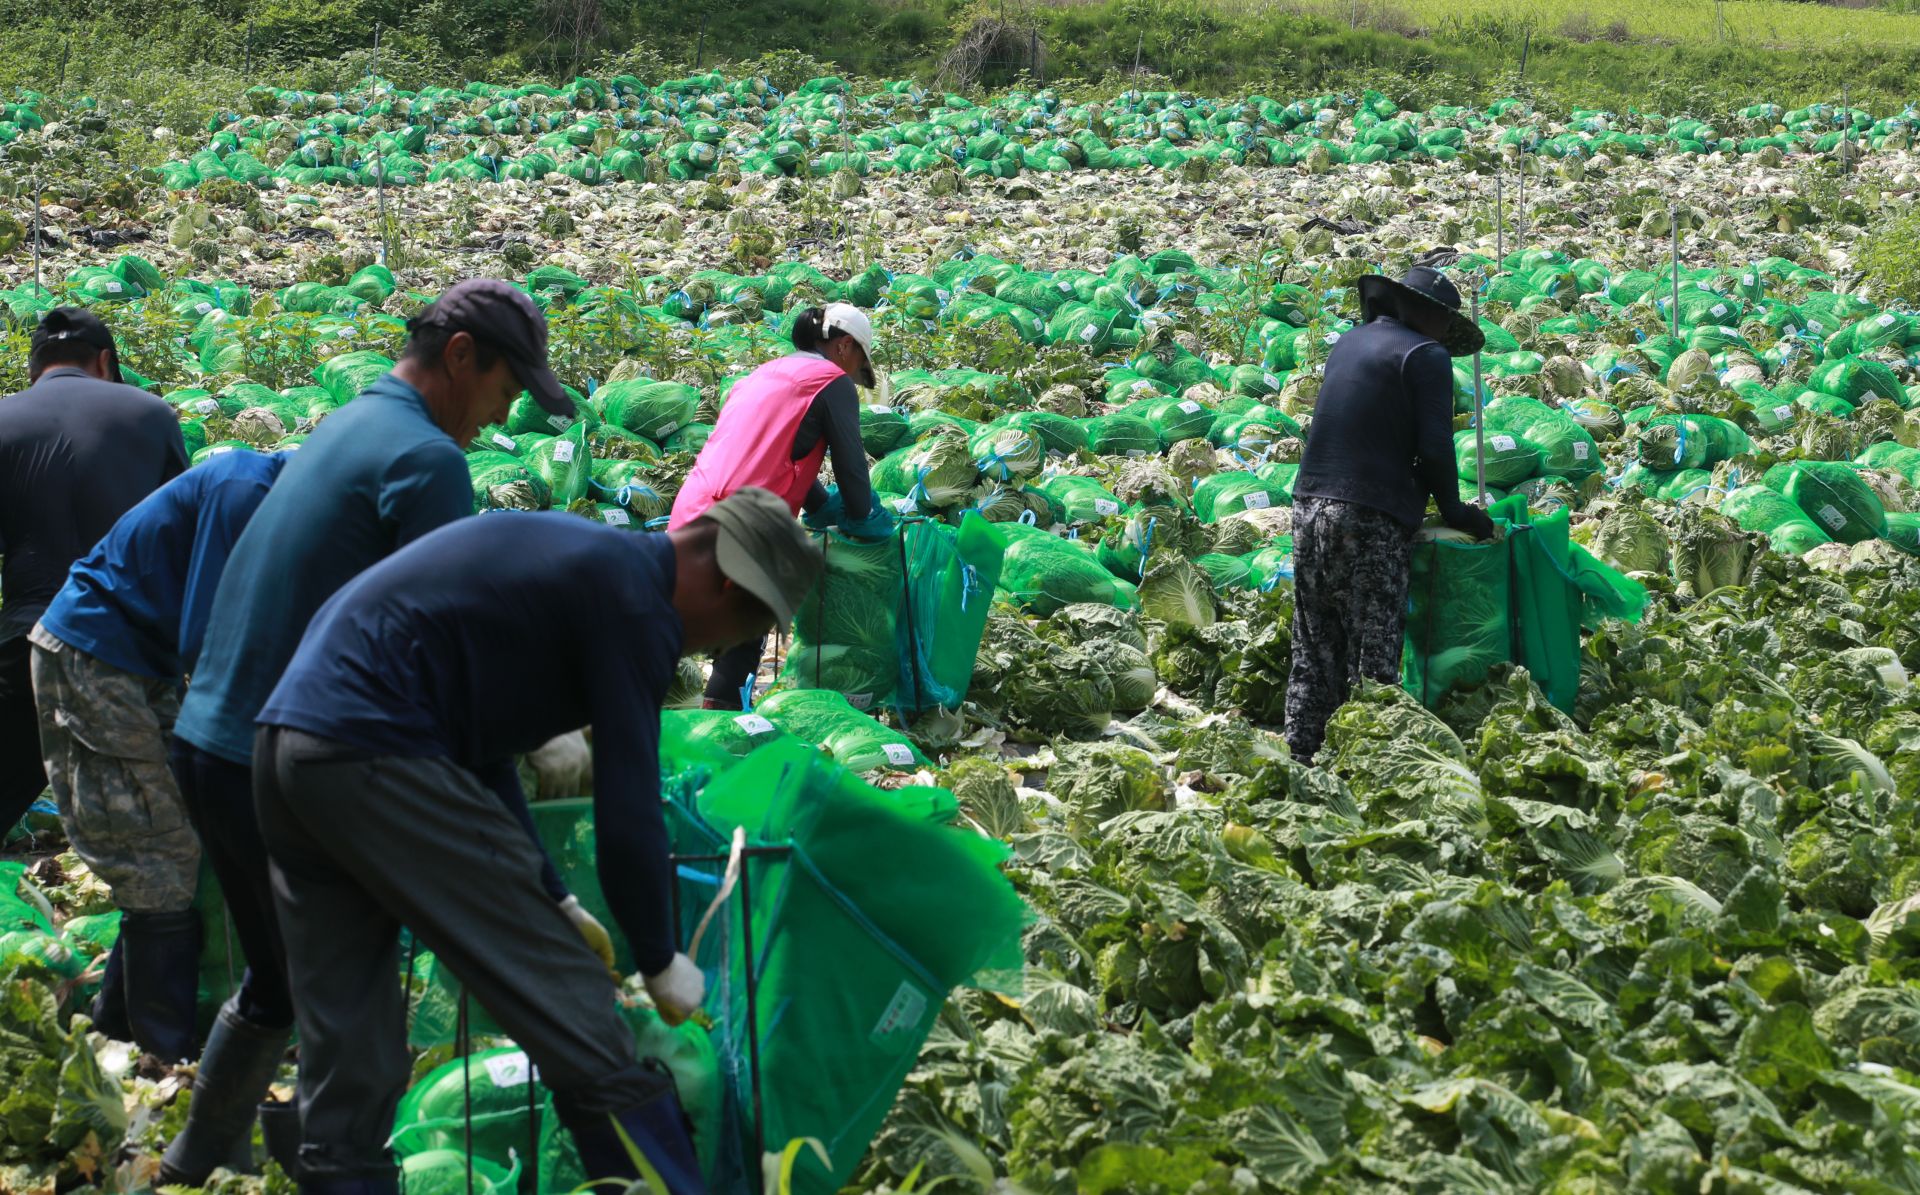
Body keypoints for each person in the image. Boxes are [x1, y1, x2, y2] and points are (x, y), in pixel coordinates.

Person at [253, 488, 823, 1195]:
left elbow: (482, 745)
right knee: (581, 1013)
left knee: (351, 1042)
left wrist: (552, 894)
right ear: (729, 583)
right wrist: (657, 955)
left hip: (290, 748)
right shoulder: (637, 603)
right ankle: (665, 1180)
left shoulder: (581, 560)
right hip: (378, 748)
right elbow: (628, 802)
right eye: (738, 630)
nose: (713, 648)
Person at [159, 279, 577, 1185]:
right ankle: (332, 1170)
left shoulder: (352, 422)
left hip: (209, 737)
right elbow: (450, 658)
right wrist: (537, 862)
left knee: (281, 975)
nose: (495, 422)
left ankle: (197, 1160)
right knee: (350, 1009)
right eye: (504, 394)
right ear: (461, 357)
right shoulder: (425, 461)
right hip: (285, 758)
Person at [30, 447, 290, 1063]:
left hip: (145, 665)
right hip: (94, 657)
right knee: (158, 849)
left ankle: (118, 1029)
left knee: (181, 838)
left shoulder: (279, 499)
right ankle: (163, 1058)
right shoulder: (245, 490)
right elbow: (213, 635)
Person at [1284, 265, 1497, 763]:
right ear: (1424, 313)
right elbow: (1437, 449)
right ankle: (1369, 762)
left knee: (1316, 638)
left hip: (1308, 504)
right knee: (1373, 650)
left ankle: (1301, 753)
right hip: (1368, 515)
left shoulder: (1349, 342)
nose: (1446, 332)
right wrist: (1457, 512)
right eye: (1445, 320)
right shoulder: (1426, 355)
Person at [0, 308, 186, 832]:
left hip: (30, 639)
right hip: (128, 642)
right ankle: (165, 914)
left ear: (33, 367)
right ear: (104, 360)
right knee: (166, 821)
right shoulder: (151, 414)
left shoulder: (4, 417)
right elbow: (177, 535)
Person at [668, 303, 894, 710]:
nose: (855, 375)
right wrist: (863, 515)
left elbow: (775, 453)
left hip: (695, 505)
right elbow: (850, 462)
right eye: (859, 359)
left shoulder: (760, 375)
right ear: (844, 346)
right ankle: (722, 730)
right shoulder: (831, 382)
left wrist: (821, 505)